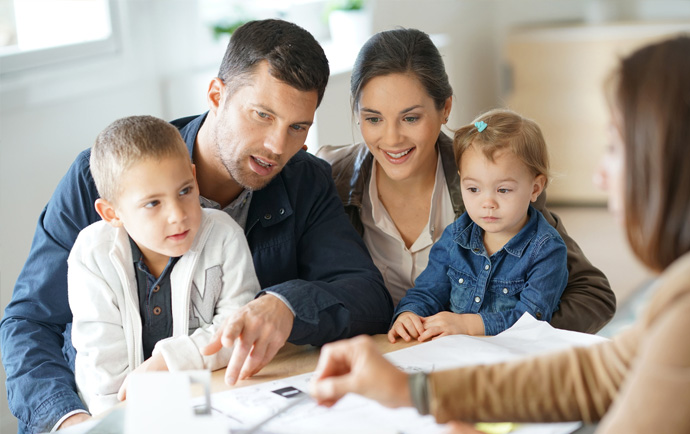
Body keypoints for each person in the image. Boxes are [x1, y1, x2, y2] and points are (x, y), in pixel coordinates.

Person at [310, 34, 690, 432]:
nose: (601, 176)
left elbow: (596, 318)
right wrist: (417, 391)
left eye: (615, 147)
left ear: (687, 161)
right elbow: (603, 373)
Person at [0, 19, 392, 433]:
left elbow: (366, 294)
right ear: (216, 95)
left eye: (298, 127)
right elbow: (30, 322)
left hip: (227, 412)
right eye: (262, 115)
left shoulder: (303, 180)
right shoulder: (99, 178)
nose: (278, 147)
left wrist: (286, 306)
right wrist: (69, 421)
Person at [316, 28, 614, 333]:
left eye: (410, 118)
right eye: (374, 119)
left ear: (445, 108)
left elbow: (593, 296)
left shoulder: (497, 176)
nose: (391, 139)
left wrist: (489, 330)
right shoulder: (329, 178)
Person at [68, 115, 259, 415]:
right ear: (111, 213)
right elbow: (102, 372)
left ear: (195, 179)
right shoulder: (92, 255)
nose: (177, 215)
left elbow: (239, 329)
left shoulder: (224, 236)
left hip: (208, 401)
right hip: (119, 413)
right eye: (153, 203)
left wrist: (168, 363)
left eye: (184, 191)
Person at [389, 109, 568, 342]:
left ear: (535, 188)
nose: (487, 204)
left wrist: (467, 324)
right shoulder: (455, 237)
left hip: (514, 361)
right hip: (456, 355)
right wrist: (409, 313)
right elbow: (428, 292)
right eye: (473, 189)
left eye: (503, 190)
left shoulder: (546, 250)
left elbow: (532, 320)